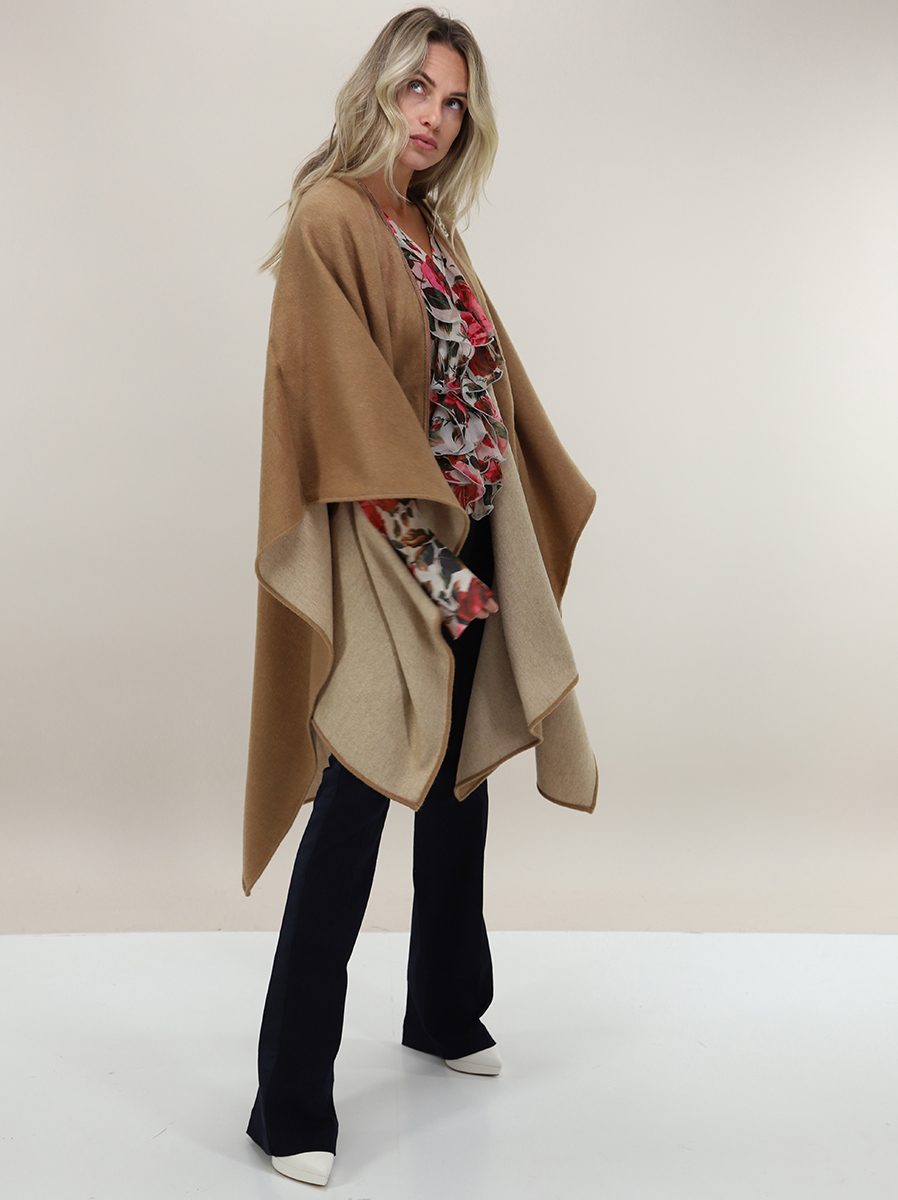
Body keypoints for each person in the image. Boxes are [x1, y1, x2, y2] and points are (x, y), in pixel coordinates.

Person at [242, 6, 598, 1187]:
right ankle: (289, 1102)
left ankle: (445, 1011)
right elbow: (341, 413)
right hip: (391, 545)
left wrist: (491, 544)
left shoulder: (432, 227)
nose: (435, 118)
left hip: (471, 534)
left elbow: (478, 386)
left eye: (453, 102)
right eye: (418, 91)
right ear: (379, 88)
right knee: (360, 789)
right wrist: (435, 569)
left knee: (458, 781)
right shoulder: (331, 220)